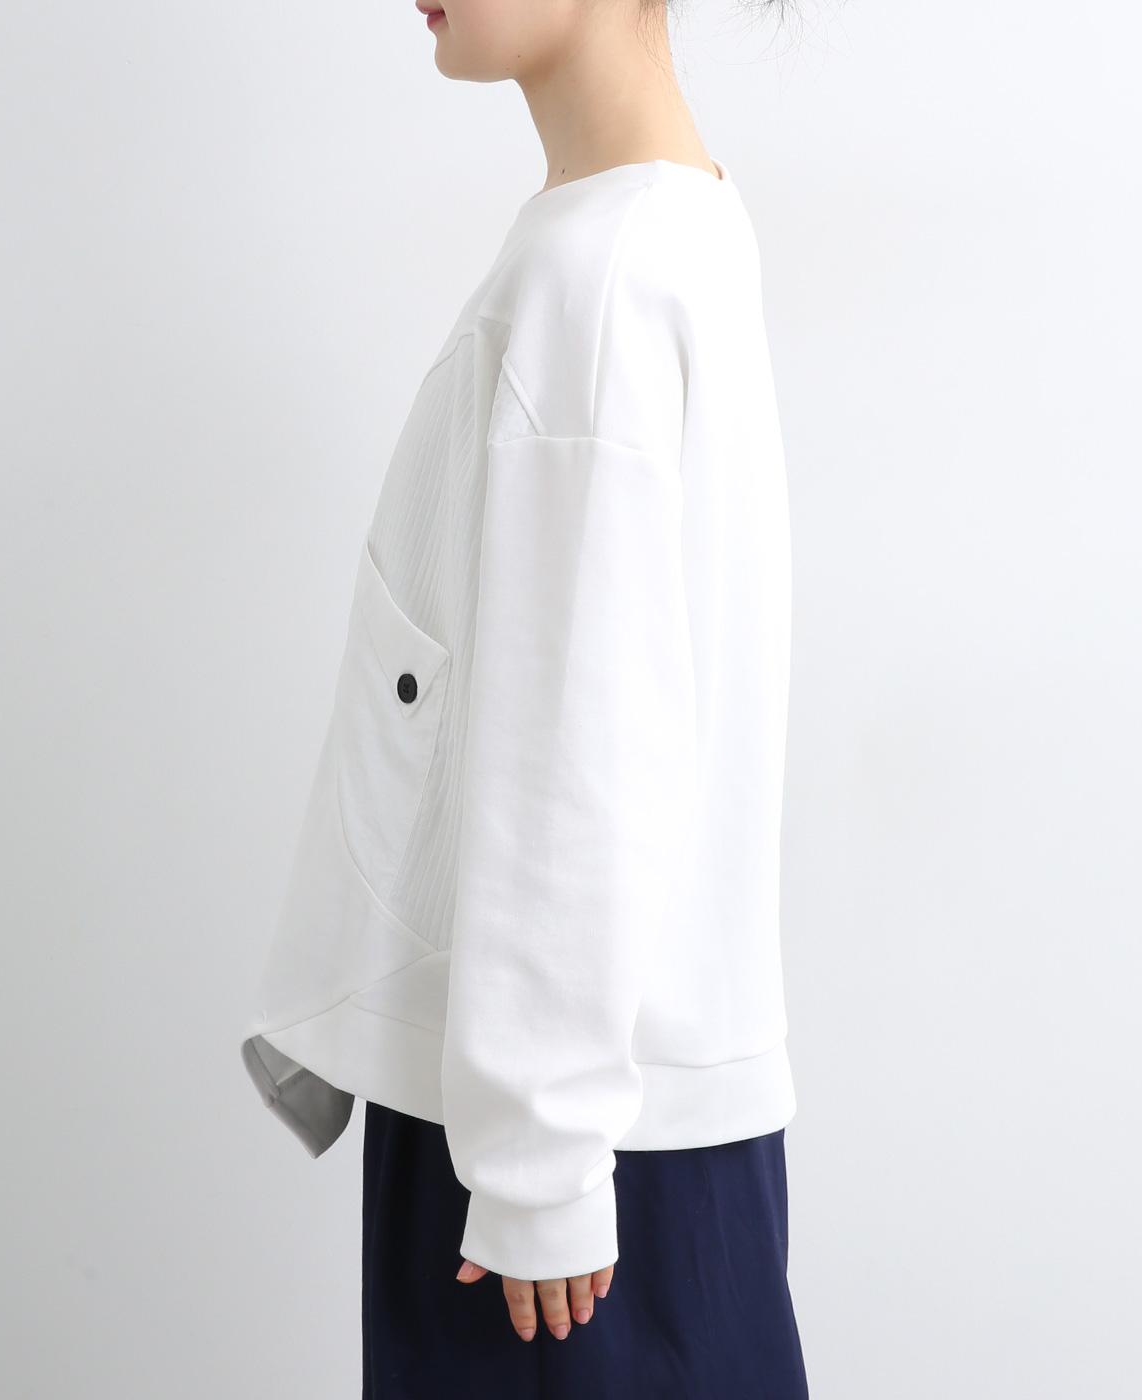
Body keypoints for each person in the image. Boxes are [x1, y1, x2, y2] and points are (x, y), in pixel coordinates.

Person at [241, 1, 811, 1394]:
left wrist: (539, 1160)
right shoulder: (675, 224)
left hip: (558, 1149)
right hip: (628, 1106)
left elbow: (579, 748)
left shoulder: (594, 275)